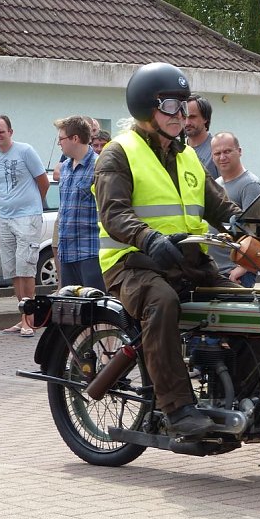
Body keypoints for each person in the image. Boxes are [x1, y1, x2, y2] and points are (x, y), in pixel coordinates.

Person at [94, 62, 240, 436]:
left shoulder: (188, 155)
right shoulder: (117, 153)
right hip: (133, 265)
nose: (182, 115)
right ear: (146, 108)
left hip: (188, 263)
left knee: (250, 307)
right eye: (170, 105)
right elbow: (114, 213)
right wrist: (149, 238)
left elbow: (222, 209)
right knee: (162, 303)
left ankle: (240, 396)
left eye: (184, 104)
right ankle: (176, 408)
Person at [0, 115, 49, 337]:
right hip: (5, 217)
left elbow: (43, 181)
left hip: (27, 217)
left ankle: (28, 320)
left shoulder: (25, 151)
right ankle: (23, 314)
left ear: (10, 132)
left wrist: (34, 206)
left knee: (26, 266)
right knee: (12, 268)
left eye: (1, 131)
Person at [54, 115, 104, 291]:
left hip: (90, 253)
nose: (59, 143)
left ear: (75, 138)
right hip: (67, 254)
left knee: (95, 311)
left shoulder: (100, 166)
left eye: (61, 139)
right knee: (72, 312)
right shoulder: (66, 168)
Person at [208, 131, 260, 287]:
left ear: (239, 151)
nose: (222, 157)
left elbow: (259, 232)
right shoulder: (216, 184)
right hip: (216, 271)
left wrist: (243, 268)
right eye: (217, 153)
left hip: (235, 274)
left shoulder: (250, 185)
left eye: (227, 151)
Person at [186, 94, 218, 178]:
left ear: (205, 118)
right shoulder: (176, 148)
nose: (187, 123)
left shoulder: (218, 149)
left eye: (192, 117)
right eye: (184, 117)